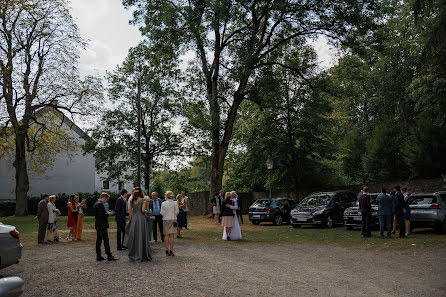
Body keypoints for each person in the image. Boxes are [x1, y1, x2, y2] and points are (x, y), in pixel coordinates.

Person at [124, 187, 152, 262]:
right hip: (141, 219)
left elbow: (130, 211)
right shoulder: (143, 200)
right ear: (140, 192)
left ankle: (134, 254)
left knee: (134, 236)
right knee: (141, 235)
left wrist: (131, 218)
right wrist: (147, 212)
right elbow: (143, 210)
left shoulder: (132, 200)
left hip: (134, 219)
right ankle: (142, 254)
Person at [94, 192, 118, 261]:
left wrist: (106, 213)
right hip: (102, 226)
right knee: (105, 240)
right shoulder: (99, 204)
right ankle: (109, 255)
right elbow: (101, 215)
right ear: (104, 198)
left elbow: (100, 214)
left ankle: (99, 256)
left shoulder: (97, 203)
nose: (106, 201)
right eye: (106, 199)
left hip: (99, 225)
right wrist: (108, 214)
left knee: (99, 241)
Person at [160, 191, 179, 256]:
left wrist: (166, 214)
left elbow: (162, 213)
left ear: (166, 196)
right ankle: (171, 250)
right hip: (173, 219)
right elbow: (177, 211)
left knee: (166, 235)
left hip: (166, 219)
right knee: (172, 235)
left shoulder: (163, 203)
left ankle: (166, 249)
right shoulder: (175, 203)